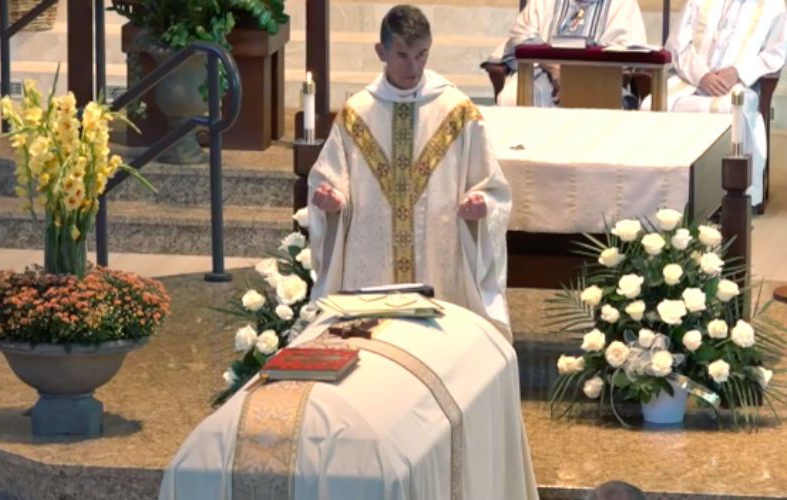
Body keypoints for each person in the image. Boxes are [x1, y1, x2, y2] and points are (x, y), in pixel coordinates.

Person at [308, 4, 513, 340]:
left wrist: (481, 204)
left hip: (439, 258)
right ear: (381, 52)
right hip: (372, 264)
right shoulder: (357, 113)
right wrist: (332, 201)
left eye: (422, 55)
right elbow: (331, 181)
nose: (413, 67)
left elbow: (493, 188)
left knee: (439, 346)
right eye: (402, 55)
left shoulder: (457, 111)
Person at [643, 0, 787, 209]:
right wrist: (701, 76)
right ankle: (658, 192)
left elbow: (776, 52)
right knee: (651, 105)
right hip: (689, 79)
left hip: (737, 85)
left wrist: (737, 72)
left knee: (733, 112)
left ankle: (731, 196)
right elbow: (676, 44)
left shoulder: (773, 5)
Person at [483, 0, 647, 106]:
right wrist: (553, 67)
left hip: (599, 77)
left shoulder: (622, 4)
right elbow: (520, 36)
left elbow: (628, 50)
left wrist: (574, 78)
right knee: (511, 98)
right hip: (542, 70)